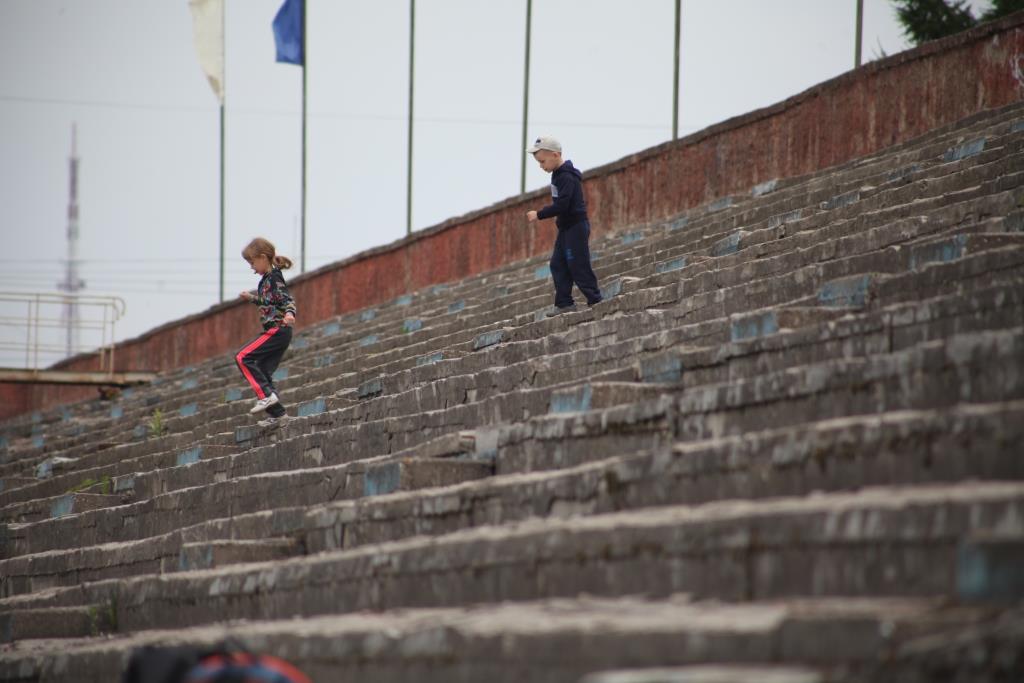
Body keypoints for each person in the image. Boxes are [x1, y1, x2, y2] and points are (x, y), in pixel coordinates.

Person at [525, 135, 602, 312]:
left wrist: (539, 214)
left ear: (555, 155)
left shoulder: (566, 176)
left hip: (576, 227)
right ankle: (564, 303)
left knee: (578, 264)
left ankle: (596, 300)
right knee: (557, 264)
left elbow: (562, 205)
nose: (541, 166)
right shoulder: (557, 175)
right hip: (566, 227)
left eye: (543, 161)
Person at [235, 237, 296, 426]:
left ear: (262, 257)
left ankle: (264, 396)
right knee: (262, 371)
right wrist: (252, 298)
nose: (252, 268)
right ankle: (278, 416)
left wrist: (289, 313)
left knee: (243, 357)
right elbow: (271, 301)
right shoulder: (266, 279)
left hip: (278, 329)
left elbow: (286, 299)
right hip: (279, 331)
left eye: (252, 262)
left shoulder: (274, 277)